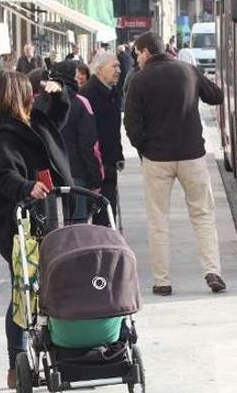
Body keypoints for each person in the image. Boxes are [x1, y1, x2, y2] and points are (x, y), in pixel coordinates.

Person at [0, 71, 72, 389]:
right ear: (18, 97)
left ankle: (54, 351)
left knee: (45, 286)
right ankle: (16, 362)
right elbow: (5, 176)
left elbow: (52, 123)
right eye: (29, 93)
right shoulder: (2, 135)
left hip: (41, 215)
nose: (34, 97)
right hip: (17, 223)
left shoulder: (25, 123)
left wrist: (57, 94)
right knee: (24, 290)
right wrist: (28, 187)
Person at [124, 32, 225, 296]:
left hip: (157, 158)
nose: (136, 58)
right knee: (203, 214)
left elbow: (131, 124)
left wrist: (144, 148)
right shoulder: (187, 70)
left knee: (158, 220)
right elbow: (216, 96)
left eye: (137, 53)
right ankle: (212, 270)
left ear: (146, 51)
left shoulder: (139, 80)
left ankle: (162, 281)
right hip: (192, 154)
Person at [50, 61, 102, 222]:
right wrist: (95, 178)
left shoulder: (43, 101)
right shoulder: (80, 103)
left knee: (47, 222)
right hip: (76, 170)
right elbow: (89, 144)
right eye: (76, 74)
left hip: (49, 171)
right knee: (78, 221)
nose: (79, 78)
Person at [79, 52, 124, 227]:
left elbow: (113, 131)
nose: (119, 70)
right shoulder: (88, 95)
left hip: (109, 161)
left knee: (108, 212)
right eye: (114, 66)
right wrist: (95, 168)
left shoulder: (112, 92)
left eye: (119, 66)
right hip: (96, 165)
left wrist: (118, 155)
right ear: (99, 69)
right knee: (102, 215)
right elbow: (87, 136)